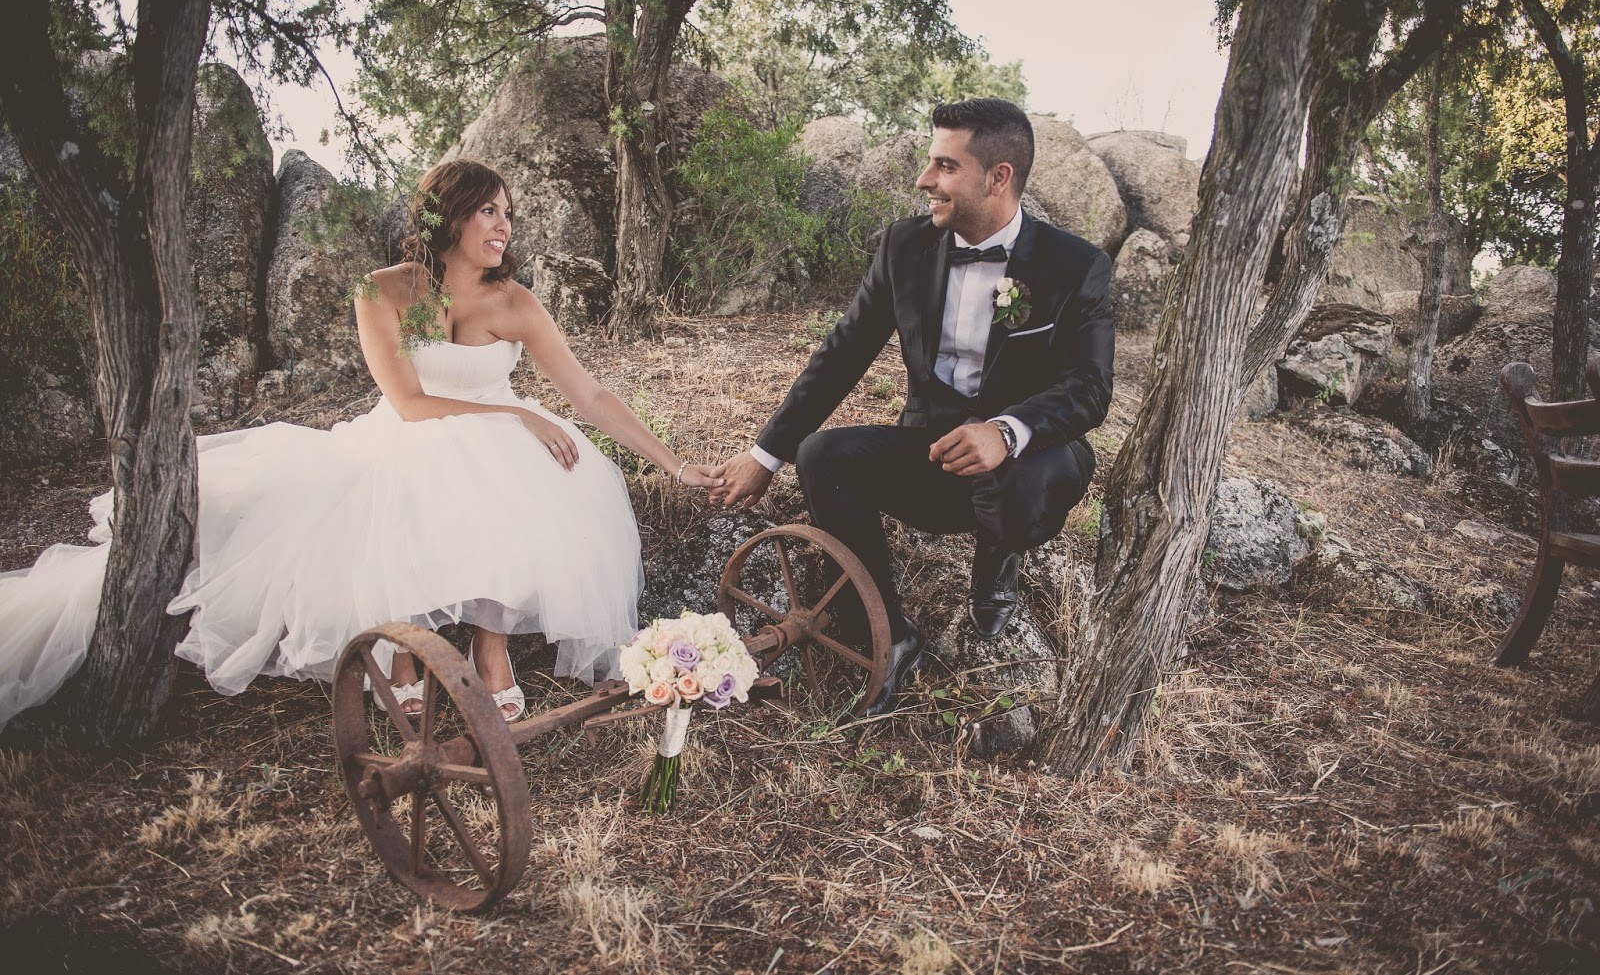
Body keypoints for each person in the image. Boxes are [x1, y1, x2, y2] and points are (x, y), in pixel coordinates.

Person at [0, 159, 718, 731]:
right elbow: (407, 402)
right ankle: (398, 644)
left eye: (508, 213)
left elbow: (589, 396)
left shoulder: (515, 301)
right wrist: (509, 417)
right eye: (488, 209)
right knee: (418, 482)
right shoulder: (385, 291)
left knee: (542, 476)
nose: (504, 225)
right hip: (412, 432)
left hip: (499, 437)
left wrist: (677, 464)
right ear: (450, 214)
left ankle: (489, 644)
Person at [710, 99, 1113, 717]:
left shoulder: (1075, 265)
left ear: (997, 177)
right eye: (930, 163)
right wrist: (767, 454)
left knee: (1013, 492)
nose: (925, 180)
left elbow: (1090, 387)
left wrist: (1006, 432)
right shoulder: (905, 246)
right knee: (823, 456)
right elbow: (843, 352)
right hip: (929, 450)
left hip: (1027, 461)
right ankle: (888, 634)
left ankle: (997, 556)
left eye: (945, 166)